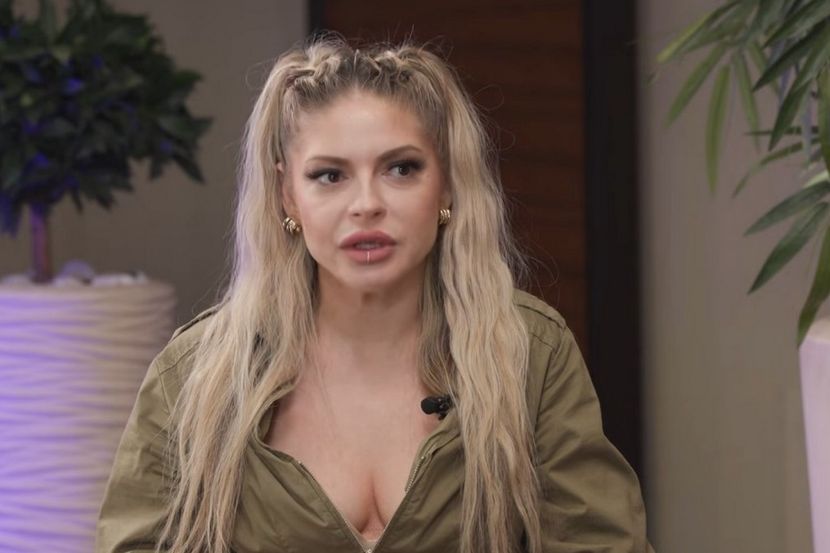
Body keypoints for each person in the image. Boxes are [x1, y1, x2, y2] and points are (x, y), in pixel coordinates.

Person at [96, 34, 653, 553]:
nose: (366, 204)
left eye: (401, 169)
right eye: (329, 176)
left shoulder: (531, 353)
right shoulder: (195, 374)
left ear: (447, 185)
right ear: (287, 196)